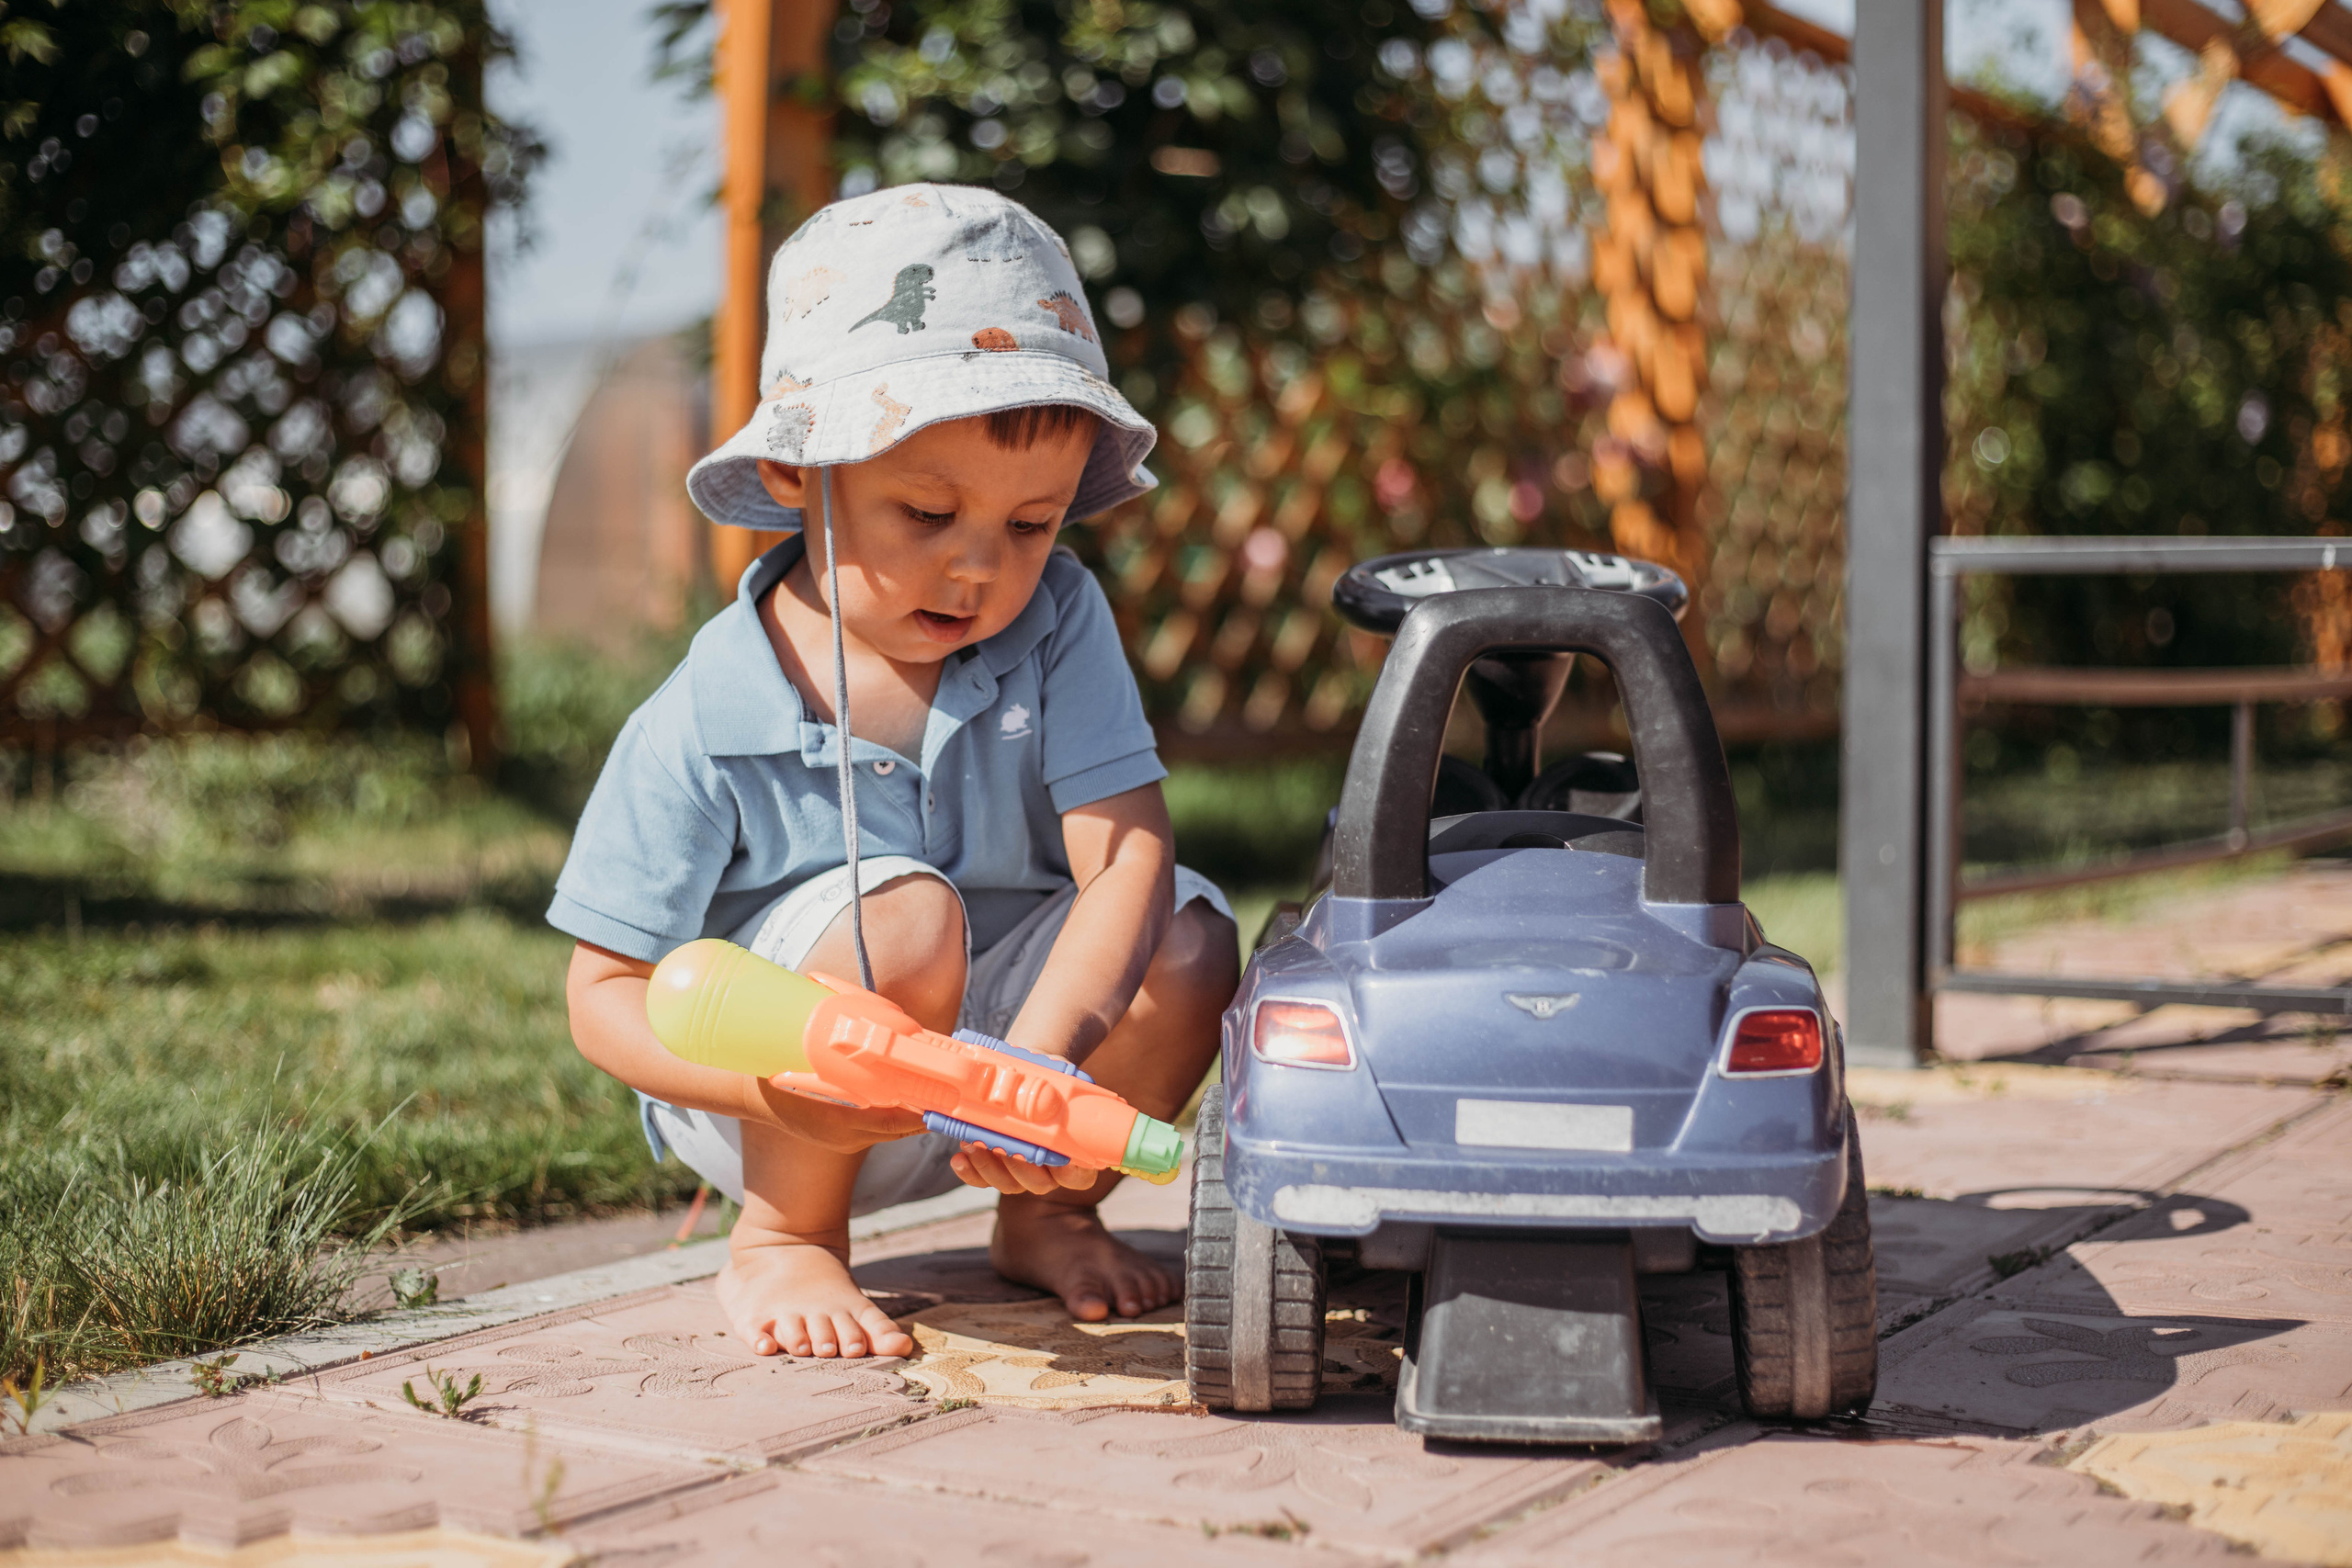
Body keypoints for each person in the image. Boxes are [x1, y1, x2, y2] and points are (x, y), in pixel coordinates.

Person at [551, 184, 1237, 1362]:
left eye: (1033, 527)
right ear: (794, 475)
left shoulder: (1058, 625)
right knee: (903, 922)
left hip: (1011, 1065)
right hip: (781, 1095)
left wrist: (1047, 1055)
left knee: (1188, 938)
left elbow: (1121, 854)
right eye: (926, 512)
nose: (980, 571)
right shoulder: (706, 714)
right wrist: (783, 1094)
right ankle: (783, 1240)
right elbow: (601, 998)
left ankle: (1044, 1208)